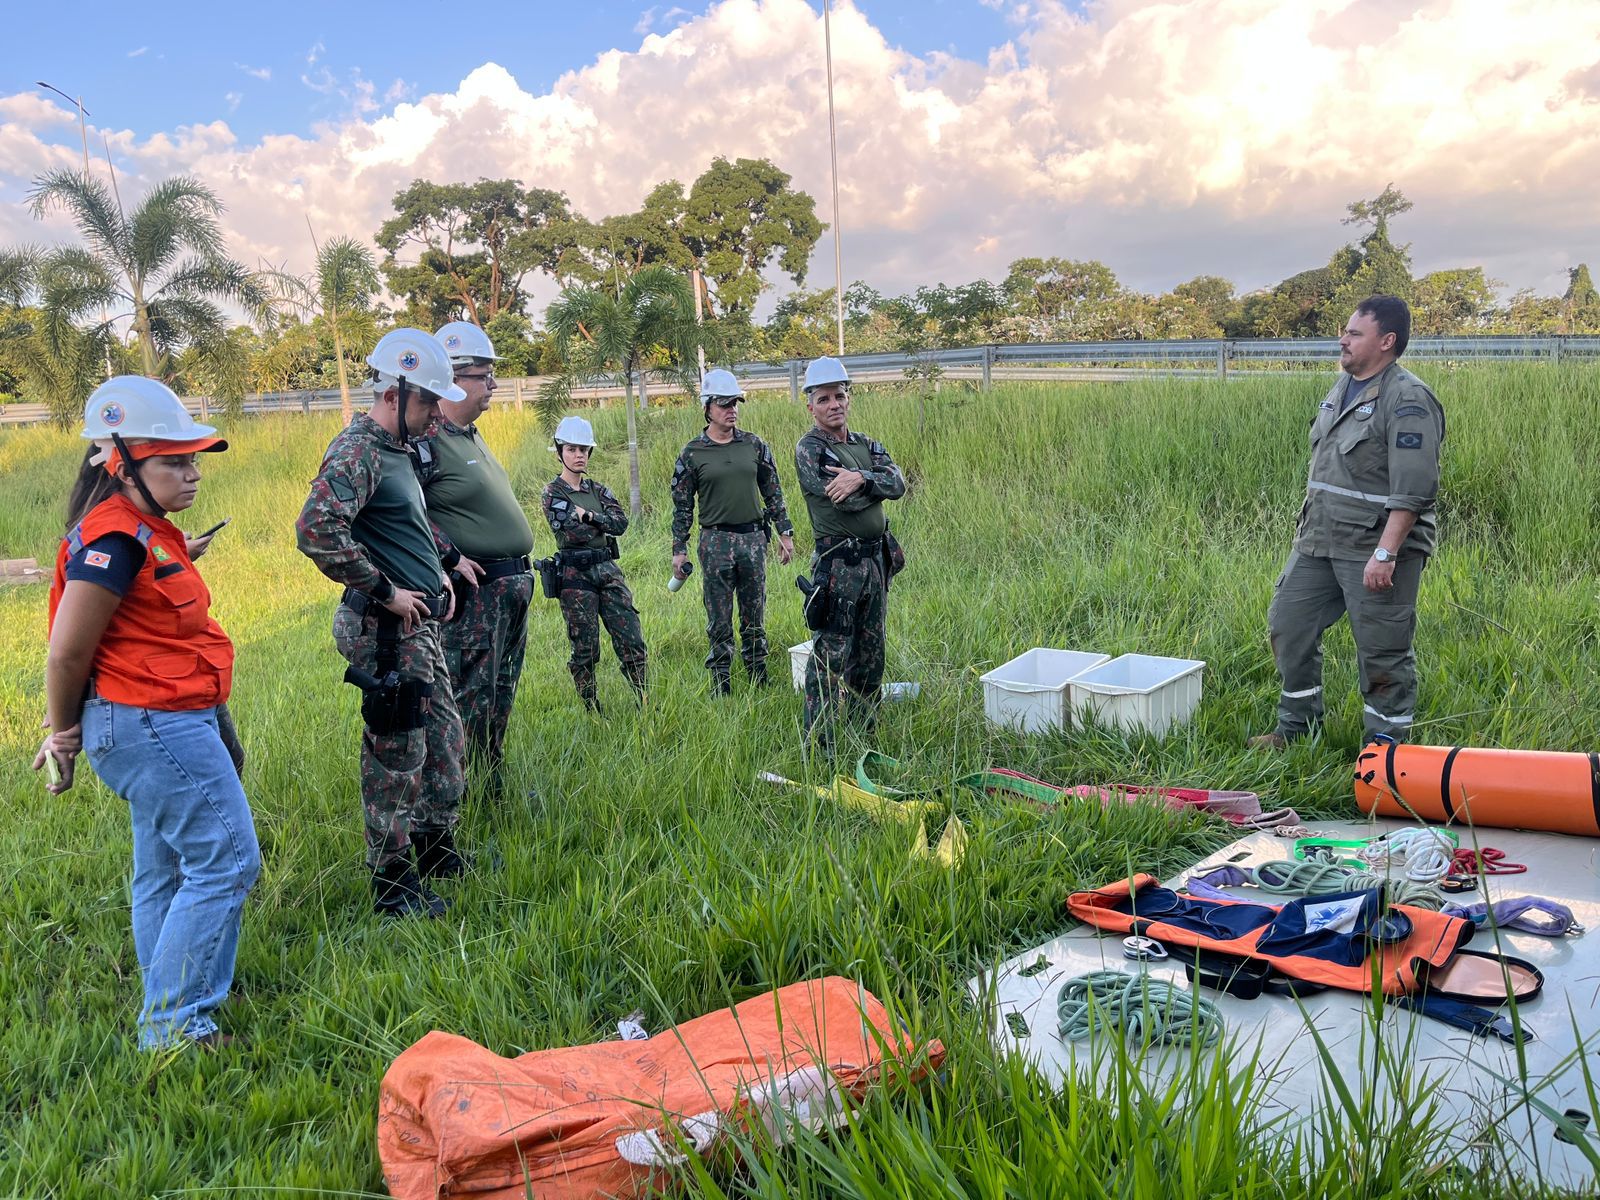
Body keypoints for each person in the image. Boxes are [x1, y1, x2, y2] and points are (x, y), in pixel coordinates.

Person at [33, 376, 260, 1049]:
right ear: (121, 465)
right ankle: (174, 1024)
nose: (191, 475)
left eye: (192, 461)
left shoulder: (142, 532)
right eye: (174, 463)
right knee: (227, 859)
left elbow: (141, 604)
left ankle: (173, 989)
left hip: (172, 715)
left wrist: (179, 550)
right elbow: (67, 653)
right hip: (148, 722)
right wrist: (63, 733)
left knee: (164, 868)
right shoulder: (116, 542)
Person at [296, 328, 468, 917]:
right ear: (393, 395)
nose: (432, 415)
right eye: (425, 402)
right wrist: (386, 589)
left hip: (419, 626)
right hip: (385, 631)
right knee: (398, 756)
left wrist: (441, 564)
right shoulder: (358, 450)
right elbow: (316, 530)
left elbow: (409, 525)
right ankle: (393, 886)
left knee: (445, 741)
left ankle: (436, 849)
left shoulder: (398, 451)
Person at [1250, 295, 1445, 749]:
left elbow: (1413, 490)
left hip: (1374, 549)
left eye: (1355, 333)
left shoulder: (1408, 399)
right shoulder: (1343, 387)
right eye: (1345, 330)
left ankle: (1384, 754)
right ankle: (1297, 731)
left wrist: (1386, 552)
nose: (1343, 339)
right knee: (1288, 623)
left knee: (1383, 652)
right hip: (1320, 540)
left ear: (1387, 341)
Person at [418, 321, 536, 804]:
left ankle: (491, 787)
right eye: (484, 377)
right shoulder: (427, 441)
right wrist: (449, 553)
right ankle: (455, 802)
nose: (492, 387)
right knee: (469, 699)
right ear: (454, 378)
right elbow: (406, 511)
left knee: (499, 699)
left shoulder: (471, 436)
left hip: (511, 585)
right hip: (476, 596)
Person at [793, 357, 906, 752]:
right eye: (823, 399)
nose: (833, 404)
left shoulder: (865, 444)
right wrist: (874, 484)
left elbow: (898, 482)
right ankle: (819, 744)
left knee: (871, 653)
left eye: (839, 396)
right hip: (839, 565)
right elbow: (844, 503)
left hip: (875, 562)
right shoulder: (809, 448)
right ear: (811, 406)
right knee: (831, 655)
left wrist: (861, 477)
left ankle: (864, 735)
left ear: (848, 398)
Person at [669, 368, 795, 694]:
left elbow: (773, 491)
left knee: (755, 614)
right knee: (719, 617)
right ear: (708, 407)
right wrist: (678, 548)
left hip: (753, 539)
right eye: (724, 404)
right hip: (715, 542)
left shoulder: (754, 445)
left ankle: (758, 676)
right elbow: (683, 506)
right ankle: (721, 681)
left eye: (735, 403)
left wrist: (785, 531)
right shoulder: (692, 453)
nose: (732, 410)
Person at [539, 416, 647, 711]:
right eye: (572, 449)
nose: (579, 456)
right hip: (576, 576)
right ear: (560, 451)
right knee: (585, 648)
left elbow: (621, 523)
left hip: (608, 571)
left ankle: (645, 701)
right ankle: (591, 708)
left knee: (631, 638)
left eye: (584, 450)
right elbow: (570, 531)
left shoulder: (598, 490)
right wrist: (599, 523)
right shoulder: (553, 493)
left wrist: (589, 516)